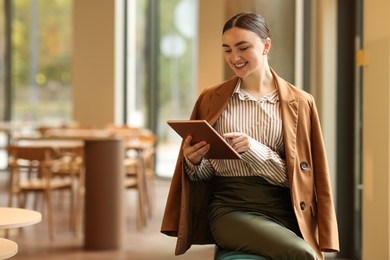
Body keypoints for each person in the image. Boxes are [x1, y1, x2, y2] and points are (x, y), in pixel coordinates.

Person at [161, 12, 339, 259]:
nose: (234, 58)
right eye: (227, 50)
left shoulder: (301, 102)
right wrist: (193, 161)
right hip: (230, 210)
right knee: (303, 254)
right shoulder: (211, 98)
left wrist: (254, 150)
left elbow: (301, 177)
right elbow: (205, 174)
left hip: (285, 210)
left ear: (266, 45)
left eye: (243, 48)